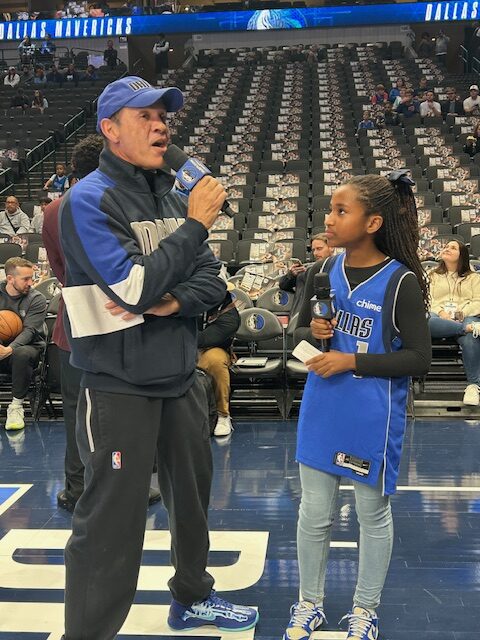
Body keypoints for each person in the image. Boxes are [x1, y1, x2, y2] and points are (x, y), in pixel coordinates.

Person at [57, 76, 259, 639]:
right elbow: (131, 288)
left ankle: (193, 597)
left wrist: (168, 302)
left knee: (192, 500)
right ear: (110, 131)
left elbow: (211, 281)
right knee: (110, 523)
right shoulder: (88, 201)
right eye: (143, 115)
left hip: (179, 373)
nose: (160, 124)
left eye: (163, 114)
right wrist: (194, 227)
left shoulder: (170, 193)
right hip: (118, 383)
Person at [284, 172, 431, 640]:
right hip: (322, 407)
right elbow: (298, 332)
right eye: (330, 209)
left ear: (373, 222)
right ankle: (309, 602)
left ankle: (365, 609)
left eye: (340, 212)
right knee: (314, 513)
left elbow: (419, 357)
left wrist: (351, 358)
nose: (328, 219)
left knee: (372, 516)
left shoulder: (401, 281)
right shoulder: (321, 272)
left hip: (373, 414)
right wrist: (314, 335)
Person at [42, 134, 161, 512]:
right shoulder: (120, 203)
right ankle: (130, 489)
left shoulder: (53, 210)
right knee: (124, 415)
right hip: (124, 322)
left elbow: (61, 272)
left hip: (74, 323)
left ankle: (76, 489)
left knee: (78, 416)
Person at [428, 241, 480, 406]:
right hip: (437, 315)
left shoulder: (474, 278)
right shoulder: (432, 275)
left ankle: (473, 386)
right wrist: (442, 312)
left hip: (466, 314)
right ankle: (465, 329)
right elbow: (428, 299)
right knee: (425, 321)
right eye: (446, 247)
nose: (447, 249)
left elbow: (478, 301)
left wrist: (461, 313)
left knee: (471, 337)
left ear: (462, 255)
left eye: (453, 247)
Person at [0, 257, 47, 431]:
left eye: (31, 277)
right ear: (10, 279)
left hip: (29, 348)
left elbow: (30, 331)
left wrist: (9, 349)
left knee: (22, 353)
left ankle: (16, 407)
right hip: (2, 347)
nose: (31, 282)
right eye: (25, 279)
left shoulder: (37, 299)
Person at [197, 284, 240, 437]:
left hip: (214, 348)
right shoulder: (187, 302)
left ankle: (223, 415)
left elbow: (204, 339)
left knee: (215, 361)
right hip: (184, 347)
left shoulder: (230, 314)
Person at [279, 234, 333, 322]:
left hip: (324, 319)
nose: (315, 253)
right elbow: (283, 285)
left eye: (319, 249)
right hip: (299, 318)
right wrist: (291, 274)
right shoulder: (305, 269)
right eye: (313, 250)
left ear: (331, 248)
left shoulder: (338, 269)